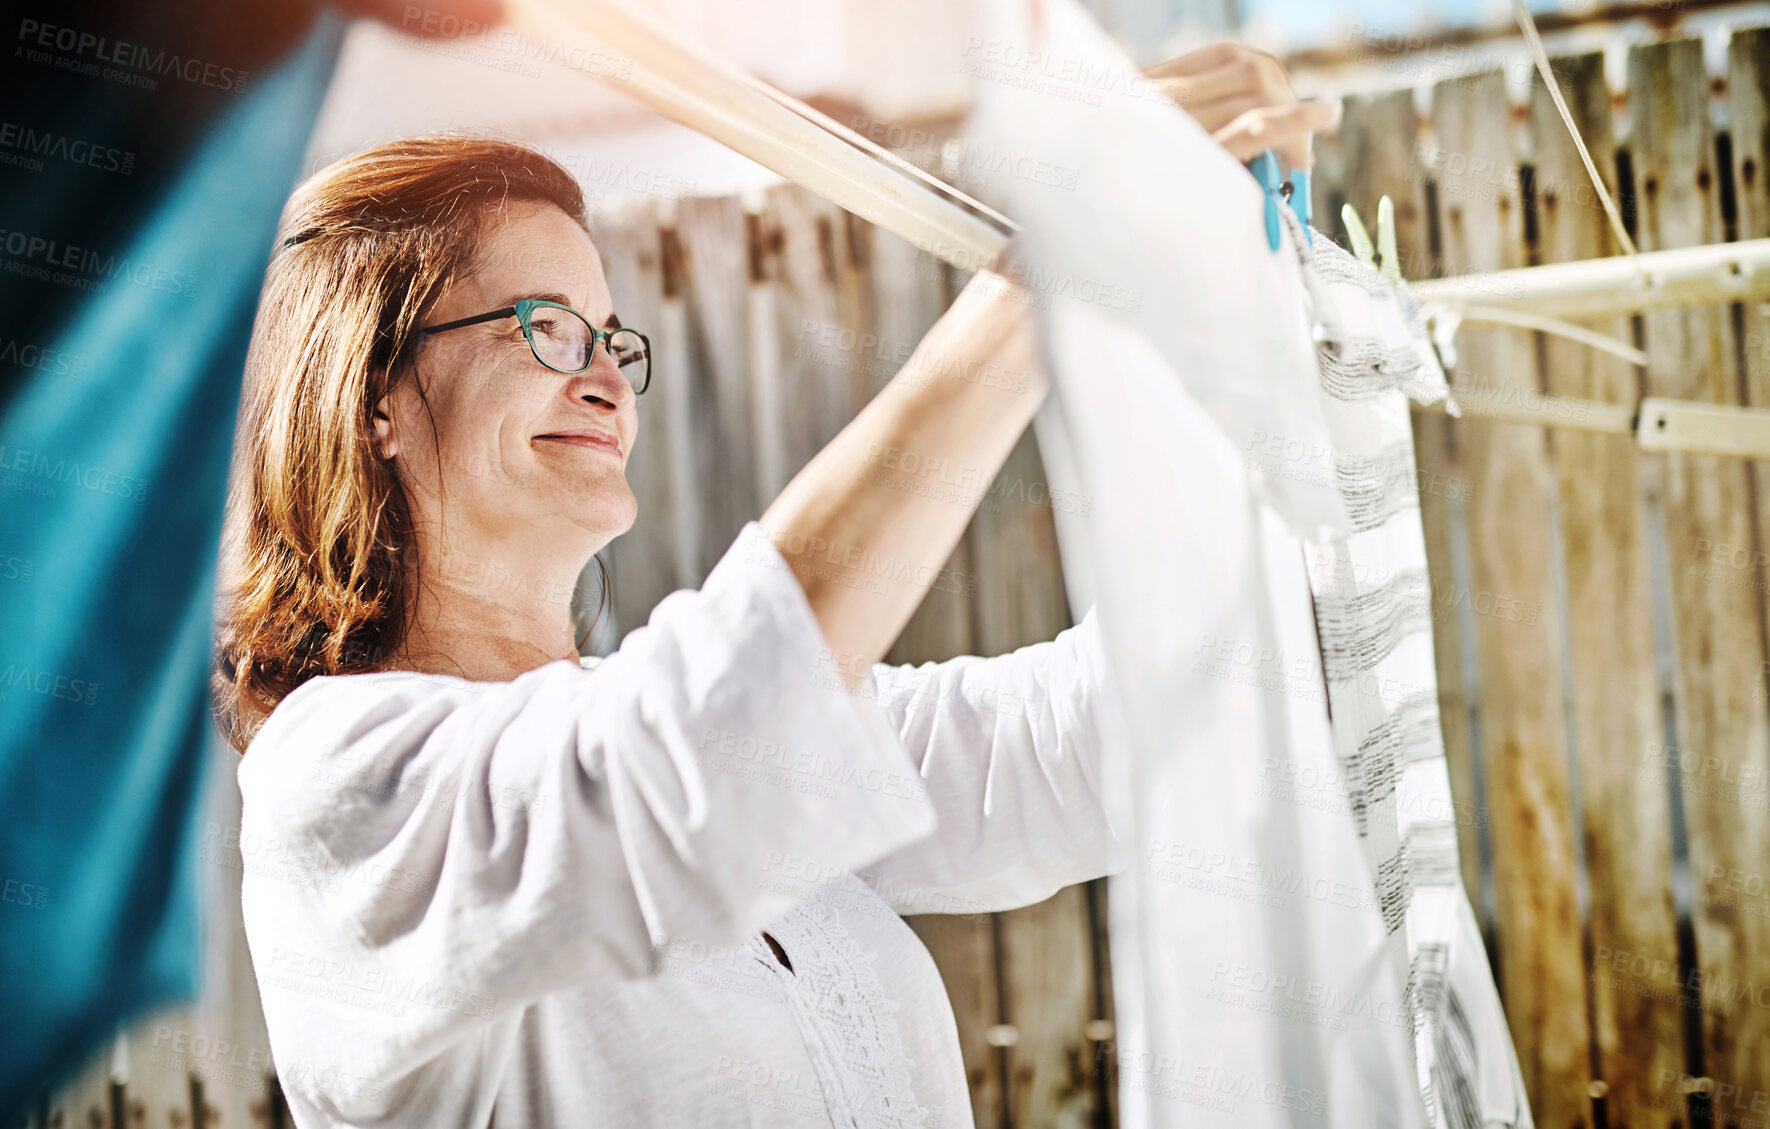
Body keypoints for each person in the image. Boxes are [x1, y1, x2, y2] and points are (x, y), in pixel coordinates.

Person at [212, 43, 1331, 1129]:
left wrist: (1262, 373)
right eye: (547, 328)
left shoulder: (677, 711)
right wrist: (1044, 269)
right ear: (373, 397)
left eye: (610, 335)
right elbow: (682, 760)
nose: (607, 377)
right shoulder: (341, 786)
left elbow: (1072, 748)